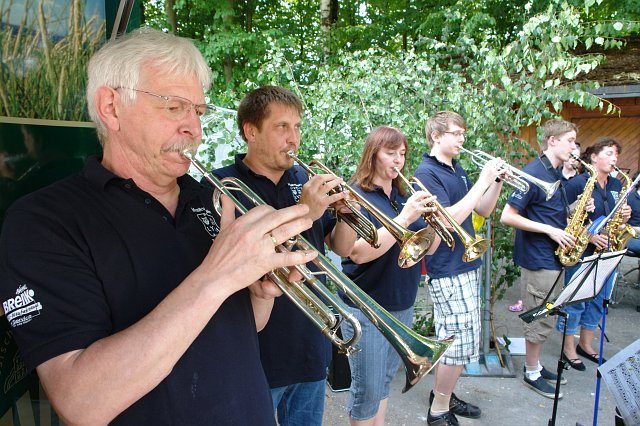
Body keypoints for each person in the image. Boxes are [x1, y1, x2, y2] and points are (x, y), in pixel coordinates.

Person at [0, 28, 317, 425]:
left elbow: (242, 328)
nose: (195, 130)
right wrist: (217, 275)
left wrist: (260, 292)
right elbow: (81, 403)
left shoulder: (209, 199)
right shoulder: (44, 221)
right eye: (174, 107)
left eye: (197, 111)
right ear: (111, 107)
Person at [211, 85, 357, 426]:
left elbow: (341, 247)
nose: (294, 138)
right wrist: (305, 212)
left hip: (310, 344)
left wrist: (347, 215)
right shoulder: (222, 186)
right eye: (282, 127)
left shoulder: (305, 180)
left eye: (297, 127)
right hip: (257, 351)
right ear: (251, 131)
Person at [339, 126, 439, 426]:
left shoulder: (402, 195)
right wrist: (405, 218)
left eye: (403, 154)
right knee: (367, 391)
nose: (398, 160)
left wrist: (434, 223)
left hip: (401, 302)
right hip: (366, 305)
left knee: (383, 384)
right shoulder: (356, 196)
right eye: (391, 153)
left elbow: (429, 250)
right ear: (373, 155)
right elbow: (357, 252)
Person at [414, 111, 505, 426]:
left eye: (464, 134)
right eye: (456, 133)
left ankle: (444, 394)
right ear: (436, 136)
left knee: (464, 338)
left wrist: (495, 182)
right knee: (455, 341)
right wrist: (483, 179)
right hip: (446, 266)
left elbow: (483, 209)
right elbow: (447, 218)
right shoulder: (426, 172)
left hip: (466, 262)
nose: (462, 139)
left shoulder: (456, 168)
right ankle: (438, 409)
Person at [500, 119, 579, 399]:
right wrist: (550, 230)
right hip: (538, 257)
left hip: (553, 256)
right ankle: (531, 372)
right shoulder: (533, 173)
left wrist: (574, 211)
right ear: (552, 141)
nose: (574, 147)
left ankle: (536, 365)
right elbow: (507, 216)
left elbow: (547, 211)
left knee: (547, 314)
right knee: (539, 317)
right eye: (570, 141)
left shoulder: (554, 173)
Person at [556, 137, 631, 369]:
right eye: (609, 153)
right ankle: (568, 347)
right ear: (594, 157)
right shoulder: (578, 183)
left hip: (609, 249)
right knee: (576, 300)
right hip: (582, 250)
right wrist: (589, 235)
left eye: (616, 154)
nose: (614, 159)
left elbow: (616, 218)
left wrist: (625, 217)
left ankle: (586, 345)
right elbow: (562, 218)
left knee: (599, 300)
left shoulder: (617, 185)